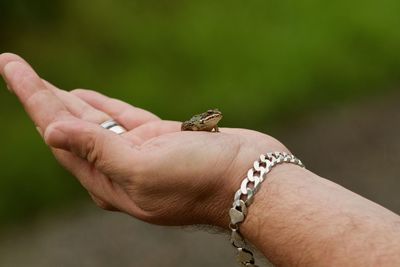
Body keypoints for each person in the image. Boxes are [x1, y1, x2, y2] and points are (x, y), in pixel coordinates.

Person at [1, 53, 399, 266]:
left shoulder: (213, 128)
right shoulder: (198, 125)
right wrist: (246, 173)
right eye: (211, 118)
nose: (214, 119)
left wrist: (237, 172)